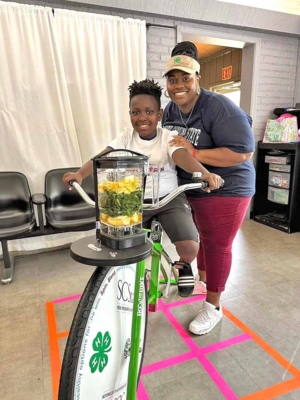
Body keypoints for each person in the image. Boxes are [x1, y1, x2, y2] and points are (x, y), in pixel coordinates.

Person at [63, 79, 223, 297]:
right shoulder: (125, 137)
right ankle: (141, 273)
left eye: (149, 111)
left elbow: (182, 157)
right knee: (122, 248)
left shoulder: (168, 138)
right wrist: (80, 174)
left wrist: (204, 173)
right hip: (133, 202)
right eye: (135, 112)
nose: (142, 117)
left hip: (168, 200)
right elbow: (104, 156)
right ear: (130, 114)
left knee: (190, 246)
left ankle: (183, 266)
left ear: (159, 114)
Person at [162, 41, 255, 335]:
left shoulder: (218, 107)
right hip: (193, 188)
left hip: (228, 188)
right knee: (202, 237)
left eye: (186, 78)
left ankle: (213, 306)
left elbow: (243, 152)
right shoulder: (170, 110)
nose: (179, 85)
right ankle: (204, 280)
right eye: (172, 79)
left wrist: (197, 153)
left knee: (217, 244)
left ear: (197, 78)